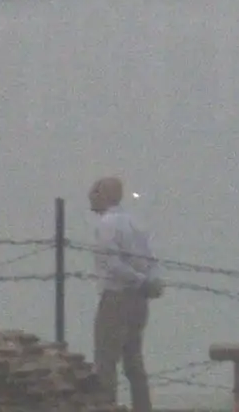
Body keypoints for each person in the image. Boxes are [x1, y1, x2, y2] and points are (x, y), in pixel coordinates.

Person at [89, 174, 162, 410]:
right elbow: (150, 259)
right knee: (134, 359)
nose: (91, 196)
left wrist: (139, 281)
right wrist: (150, 282)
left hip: (116, 297)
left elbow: (112, 264)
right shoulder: (135, 223)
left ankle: (107, 406)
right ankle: (143, 406)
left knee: (106, 359)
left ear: (106, 195)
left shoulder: (107, 224)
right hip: (139, 301)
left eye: (96, 191)